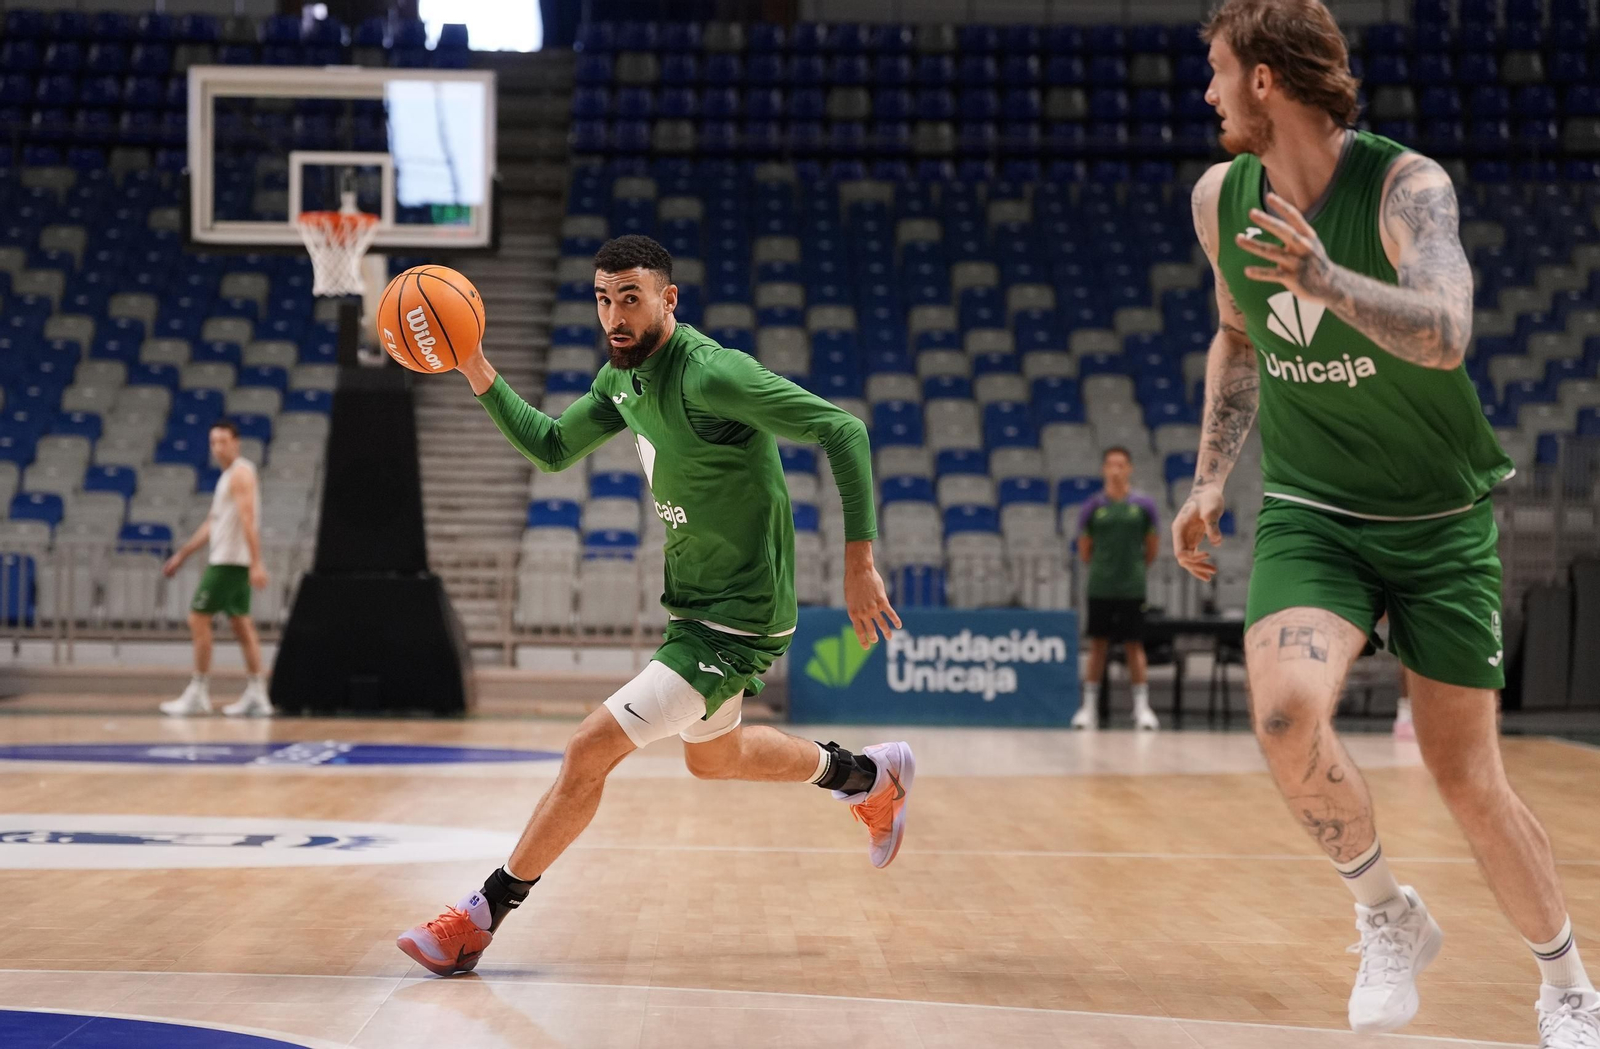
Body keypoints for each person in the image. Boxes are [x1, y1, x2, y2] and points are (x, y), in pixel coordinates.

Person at [1171, 1, 1598, 1044]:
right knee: (1284, 714)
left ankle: (1566, 984)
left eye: (1219, 70)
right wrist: (1209, 477)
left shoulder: (1407, 187)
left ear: (1265, 79)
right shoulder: (1219, 198)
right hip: (1312, 512)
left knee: (1468, 780)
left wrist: (1325, 279)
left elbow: (1447, 332)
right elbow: (1237, 334)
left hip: (1439, 520)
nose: (1209, 92)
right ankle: (1385, 912)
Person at [396, 235, 913, 977]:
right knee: (716, 759)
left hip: (738, 617)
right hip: (693, 607)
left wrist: (860, 560)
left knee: (589, 749)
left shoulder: (712, 374)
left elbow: (843, 428)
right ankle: (867, 775)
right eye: (603, 299)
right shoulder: (620, 379)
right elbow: (551, 448)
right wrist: (473, 362)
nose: (615, 315)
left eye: (631, 298)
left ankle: (479, 917)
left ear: (668, 299)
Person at [159, 419, 273, 718]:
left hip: (228, 562)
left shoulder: (241, 473)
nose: (218, 447)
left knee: (198, 618)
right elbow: (213, 523)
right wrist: (182, 555)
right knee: (242, 624)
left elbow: (248, 519)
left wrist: (257, 562)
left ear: (236, 443)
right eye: (213, 442)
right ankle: (257, 693)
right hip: (231, 560)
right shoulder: (227, 477)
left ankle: (198, 691)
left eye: (223, 441)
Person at [1071, 446, 1161, 731]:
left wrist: (1134, 569)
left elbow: (1152, 548)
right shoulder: (1093, 506)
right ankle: (1088, 709)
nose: (1116, 470)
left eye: (1121, 464)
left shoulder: (1144, 506)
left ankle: (1142, 708)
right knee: (1097, 645)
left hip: (1132, 588)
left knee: (1134, 645)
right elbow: (1084, 549)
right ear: (1103, 469)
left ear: (1129, 468)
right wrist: (1104, 566)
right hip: (1101, 587)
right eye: (1111, 464)